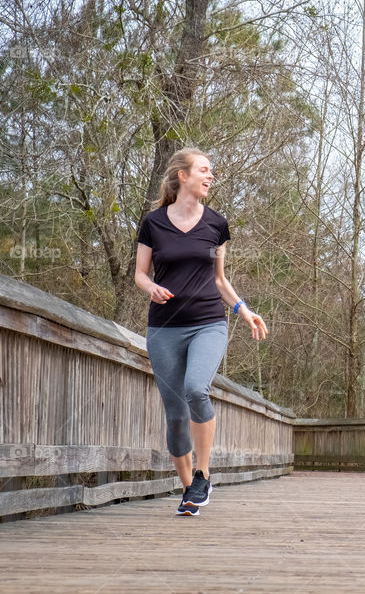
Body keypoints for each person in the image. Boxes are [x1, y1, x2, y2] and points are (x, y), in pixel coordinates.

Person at [135, 147, 268, 516]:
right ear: (183, 175)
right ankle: (189, 491)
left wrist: (243, 309)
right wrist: (150, 288)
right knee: (175, 415)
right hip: (163, 328)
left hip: (208, 321)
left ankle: (203, 473)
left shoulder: (216, 224)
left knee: (196, 388)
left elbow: (219, 280)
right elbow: (140, 273)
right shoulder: (153, 223)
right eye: (205, 170)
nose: (211, 177)